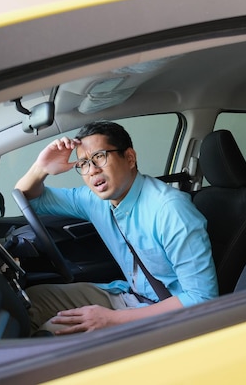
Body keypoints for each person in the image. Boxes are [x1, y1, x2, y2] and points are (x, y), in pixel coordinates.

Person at [15, 120, 218, 335]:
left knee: (52, 335)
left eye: (99, 157)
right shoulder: (96, 200)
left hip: (168, 317)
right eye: (83, 163)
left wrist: (115, 319)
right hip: (130, 296)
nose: (92, 170)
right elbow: (28, 197)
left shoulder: (171, 211)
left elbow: (202, 299)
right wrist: (41, 168)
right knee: (31, 302)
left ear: (129, 158)